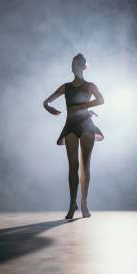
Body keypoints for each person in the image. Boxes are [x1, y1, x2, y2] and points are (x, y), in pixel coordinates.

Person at [43, 53, 104, 219]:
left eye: (77, 64)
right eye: (72, 64)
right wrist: (48, 107)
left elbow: (101, 100)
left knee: (86, 165)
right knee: (72, 166)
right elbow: (46, 101)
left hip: (86, 125)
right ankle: (72, 204)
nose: (74, 66)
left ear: (83, 67)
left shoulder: (90, 85)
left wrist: (83, 106)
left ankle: (84, 202)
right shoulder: (66, 87)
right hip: (70, 125)